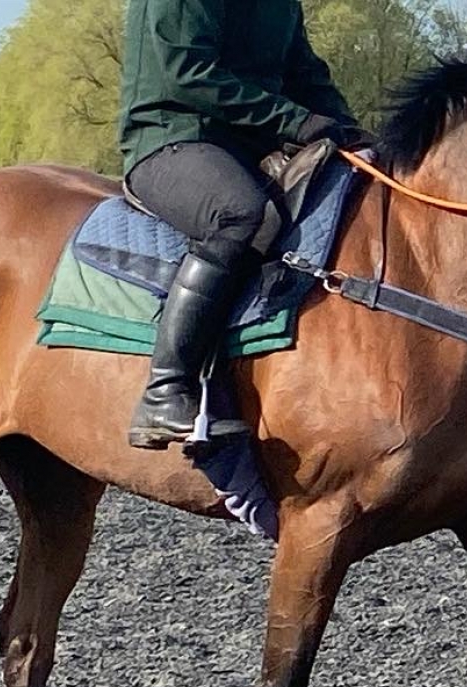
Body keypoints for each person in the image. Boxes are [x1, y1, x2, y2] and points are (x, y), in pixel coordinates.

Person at [116, 0, 371, 450]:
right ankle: (164, 390)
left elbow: (305, 75)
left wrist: (349, 132)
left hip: (249, 148)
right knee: (240, 213)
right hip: (173, 137)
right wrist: (296, 121)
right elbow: (188, 73)